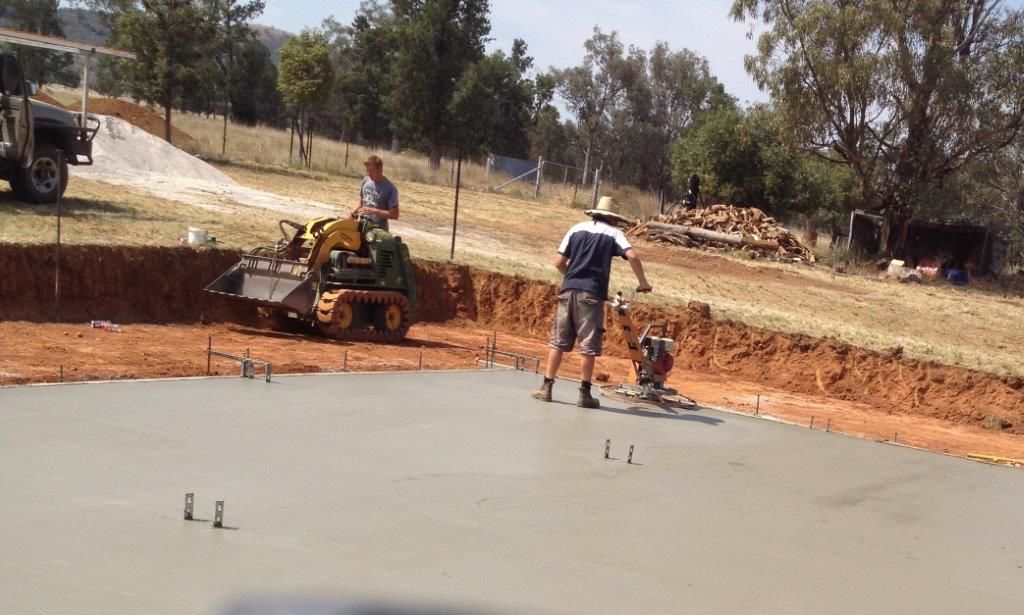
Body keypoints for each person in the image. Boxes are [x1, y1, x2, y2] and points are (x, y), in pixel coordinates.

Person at [531, 196, 652, 408]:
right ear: (613, 218)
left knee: (558, 341)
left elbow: (558, 262)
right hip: (591, 295)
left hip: (567, 290)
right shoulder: (614, 233)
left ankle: (546, 387)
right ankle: (584, 394)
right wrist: (643, 282)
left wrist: (572, 277)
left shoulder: (575, 229)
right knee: (588, 345)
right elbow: (632, 256)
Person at [351, 155, 399, 231]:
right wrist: (352, 214)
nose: (369, 174)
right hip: (361, 226)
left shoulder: (390, 188)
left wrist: (374, 211)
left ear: (380, 169)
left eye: (372, 171)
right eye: (367, 171)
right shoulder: (366, 181)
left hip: (378, 231)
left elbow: (395, 215)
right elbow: (361, 202)